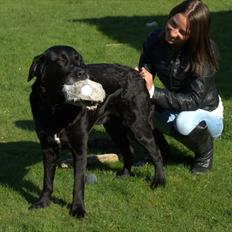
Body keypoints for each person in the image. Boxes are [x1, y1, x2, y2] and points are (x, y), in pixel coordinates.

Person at [138, 0, 224, 174]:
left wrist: (153, 91)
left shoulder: (205, 53)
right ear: (169, 17)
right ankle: (159, 150)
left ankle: (204, 154)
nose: (173, 32)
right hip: (177, 104)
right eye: (172, 24)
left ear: (194, 35)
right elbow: (145, 70)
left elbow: (193, 100)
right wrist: (140, 78)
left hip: (205, 112)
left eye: (182, 32)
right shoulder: (155, 39)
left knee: (183, 122)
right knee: (138, 105)